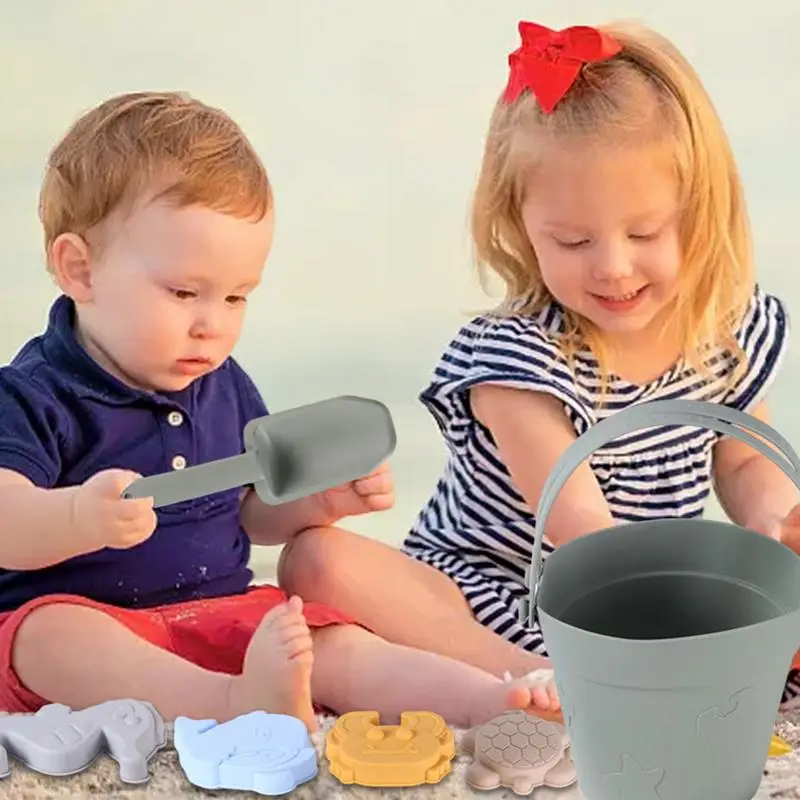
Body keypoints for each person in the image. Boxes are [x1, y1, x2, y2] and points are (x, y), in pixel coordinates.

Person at [0, 90, 560, 732]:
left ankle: (489, 701)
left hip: (218, 611)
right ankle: (232, 706)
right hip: (93, 626)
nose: (213, 325)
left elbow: (248, 513)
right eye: (184, 292)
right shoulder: (32, 396)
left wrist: (322, 503)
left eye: (237, 297)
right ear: (80, 270)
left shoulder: (220, 383)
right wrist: (74, 514)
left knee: (328, 642)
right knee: (50, 637)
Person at [279, 19, 800, 706]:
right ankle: (521, 674)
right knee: (316, 557)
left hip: (639, 598)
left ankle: (614, 671)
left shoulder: (720, 331)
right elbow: (577, 523)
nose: (613, 268)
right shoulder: (516, 360)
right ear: (520, 224)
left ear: (698, 211)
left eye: (644, 232)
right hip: (488, 592)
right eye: (573, 240)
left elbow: (742, 459)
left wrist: (775, 518)